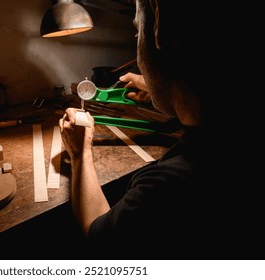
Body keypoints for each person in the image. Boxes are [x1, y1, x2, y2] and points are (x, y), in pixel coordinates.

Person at [59, 0, 263, 259]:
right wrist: (167, 91)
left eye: (137, 31)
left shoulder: (168, 187)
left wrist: (79, 153)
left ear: (161, 31)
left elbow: (96, 234)